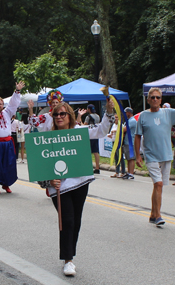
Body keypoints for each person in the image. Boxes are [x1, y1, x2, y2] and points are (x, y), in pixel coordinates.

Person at [41, 99, 114, 276]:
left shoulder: (80, 131)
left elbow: (102, 130)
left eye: (62, 114)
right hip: (59, 187)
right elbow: (40, 163)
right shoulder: (46, 137)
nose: (59, 117)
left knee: (76, 221)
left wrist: (109, 112)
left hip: (80, 183)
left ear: (69, 116)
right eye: (56, 114)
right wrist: (49, 180)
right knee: (67, 220)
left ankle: (70, 255)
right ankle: (68, 260)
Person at [135, 87, 175, 227]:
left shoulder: (168, 113)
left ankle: (152, 214)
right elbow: (138, 136)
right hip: (151, 155)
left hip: (166, 155)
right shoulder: (143, 116)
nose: (155, 100)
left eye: (158, 97)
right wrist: (138, 155)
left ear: (161, 99)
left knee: (159, 186)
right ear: (148, 99)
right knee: (158, 184)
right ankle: (158, 216)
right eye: (153, 97)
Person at [83, 104, 101, 174]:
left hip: (90, 135)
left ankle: (88, 167)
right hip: (96, 134)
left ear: (89, 109)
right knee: (96, 152)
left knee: (88, 152)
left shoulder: (88, 117)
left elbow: (85, 125)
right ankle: (97, 167)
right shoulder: (97, 116)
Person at [108, 114, 126, 178]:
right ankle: (117, 171)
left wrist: (114, 131)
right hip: (113, 141)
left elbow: (121, 131)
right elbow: (111, 133)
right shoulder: (114, 125)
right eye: (115, 117)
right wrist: (110, 135)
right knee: (116, 157)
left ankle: (123, 172)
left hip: (118, 142)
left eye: (117, 117)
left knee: (120, 157)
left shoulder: (121, 125)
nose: (116, 119)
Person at [122, 107, 136, 179]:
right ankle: (129, 172)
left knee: (131, 158)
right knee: (128, 158)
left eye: (125, 112)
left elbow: (124, 129)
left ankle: (131, 173)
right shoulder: (128, 120)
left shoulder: (132, 121)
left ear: (129, 113)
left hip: (131, 142)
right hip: (127, 141)